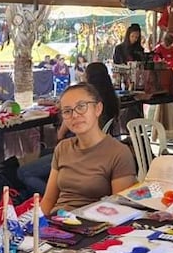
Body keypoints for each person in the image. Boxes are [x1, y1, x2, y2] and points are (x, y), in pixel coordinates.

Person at [40, 83, 137, 214]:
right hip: (57, 221)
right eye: (67, 111)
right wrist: (37, 226)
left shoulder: (118, 153)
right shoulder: (63, 148)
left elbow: (120, 210)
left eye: (81, 107)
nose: (75, 115)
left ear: (98, 109)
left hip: (92, 225)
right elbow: (48, 200)